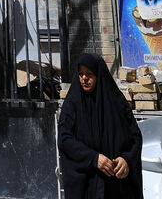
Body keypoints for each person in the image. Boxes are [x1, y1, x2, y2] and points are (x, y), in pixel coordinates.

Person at [58, 53, 142, 199]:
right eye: (81, 74)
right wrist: (93, 158)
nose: (84, 78)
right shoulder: (73, 104)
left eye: (89, 74)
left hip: (117, 186)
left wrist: (127, 159)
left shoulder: (117, 103)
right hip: (87, 186)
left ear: (99, 75)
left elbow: (135, 138)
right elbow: (65, 140)